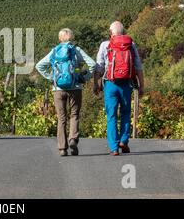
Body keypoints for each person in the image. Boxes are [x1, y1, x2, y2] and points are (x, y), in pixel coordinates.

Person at [36, 28, 96, 157]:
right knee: (74, 115)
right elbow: (93, 64)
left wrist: (52, 78)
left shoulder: (54, 51)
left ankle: (62, 148)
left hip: (58, 89)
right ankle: (73, 139)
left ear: (59, 39)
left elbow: (39, 66)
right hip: (75, 87)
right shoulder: (76, 50)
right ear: (71, 38)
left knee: (61, 118)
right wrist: (84, 78)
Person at [94, 21, 144, 156]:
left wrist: (96, 84)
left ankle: (114, 147)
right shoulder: (131, 44)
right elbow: (138, 67)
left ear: (111, 32)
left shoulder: (105, 45)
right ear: (123, 31)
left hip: (110, 84)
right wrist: (141, 86)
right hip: (126, 84)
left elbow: (99, 67)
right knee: (126, 113)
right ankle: (123, 141)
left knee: (111, 115)